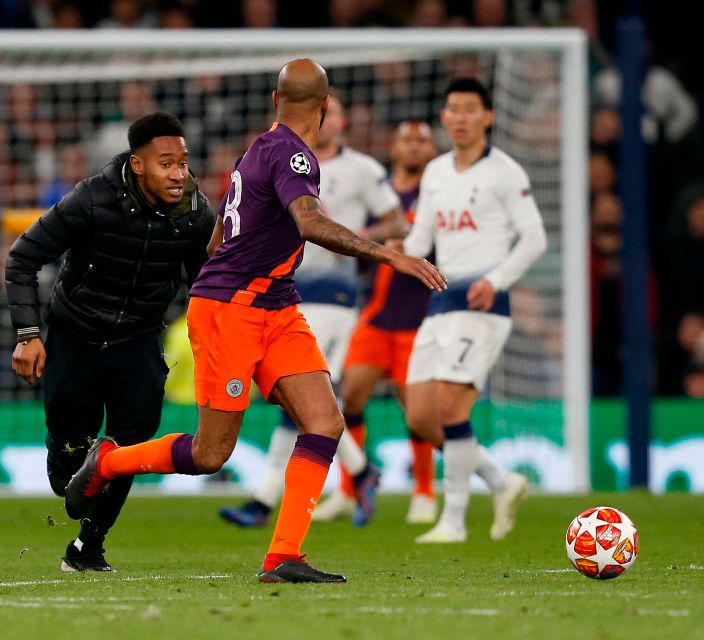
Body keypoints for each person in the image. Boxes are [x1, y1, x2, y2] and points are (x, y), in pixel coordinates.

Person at [63, 59, 446, 583]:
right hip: (234, 311)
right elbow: (308, 222)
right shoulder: (292, 154)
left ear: (275, 99)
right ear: (326, 105)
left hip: (276, 306)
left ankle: (283, 556)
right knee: (210, 452)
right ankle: (106, 462)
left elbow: (221, 234)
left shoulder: (256, 151)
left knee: (325, 421)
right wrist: (390, 256)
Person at [5, 112, 216, 573]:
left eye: (183, 162)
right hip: (73, 336)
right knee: (68, 478)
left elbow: (204, 286)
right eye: (166, 163)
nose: (179, 173)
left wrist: (213, 342)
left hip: (138, 341)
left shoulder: (197, 214)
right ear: (139, 166)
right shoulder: (91, 199)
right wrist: (28, 335)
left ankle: (88, 548)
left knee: (128, 450)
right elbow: (22, 259)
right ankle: (70, 464)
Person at [218, 92, 406, 530]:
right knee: (304, 401)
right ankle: (360, 472)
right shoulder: (281, 158)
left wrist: (357, 235)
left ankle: (264, 502)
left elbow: (397, 222)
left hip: (334, 295)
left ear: (336, 121)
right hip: (286, 290)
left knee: (297, 394)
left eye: (334, 113)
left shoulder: (362, 170)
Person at [401, 78, 547, 544]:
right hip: (440, 303)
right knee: (421, 417)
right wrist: (388, 250)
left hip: (483, 305)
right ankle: (501, 481)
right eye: (453, 109)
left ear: (488, 117)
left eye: (469, 109)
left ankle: (454, 520)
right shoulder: (436, 172)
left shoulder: (505, 173)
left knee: (449, 405)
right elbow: (422, 242)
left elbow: (535, 238)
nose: (460, 118)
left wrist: (496, 279)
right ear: (444, 118)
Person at [316, 120, 440, 525]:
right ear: (394, 146)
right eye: (407, 138)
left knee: (416, 410)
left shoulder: (440, 194)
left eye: (422, 139)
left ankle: (424, 492)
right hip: (374, 316)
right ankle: (349, 491)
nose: (415, 146)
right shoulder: (381, 192)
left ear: (432, 148)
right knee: (348, 398)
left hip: (417, 318)